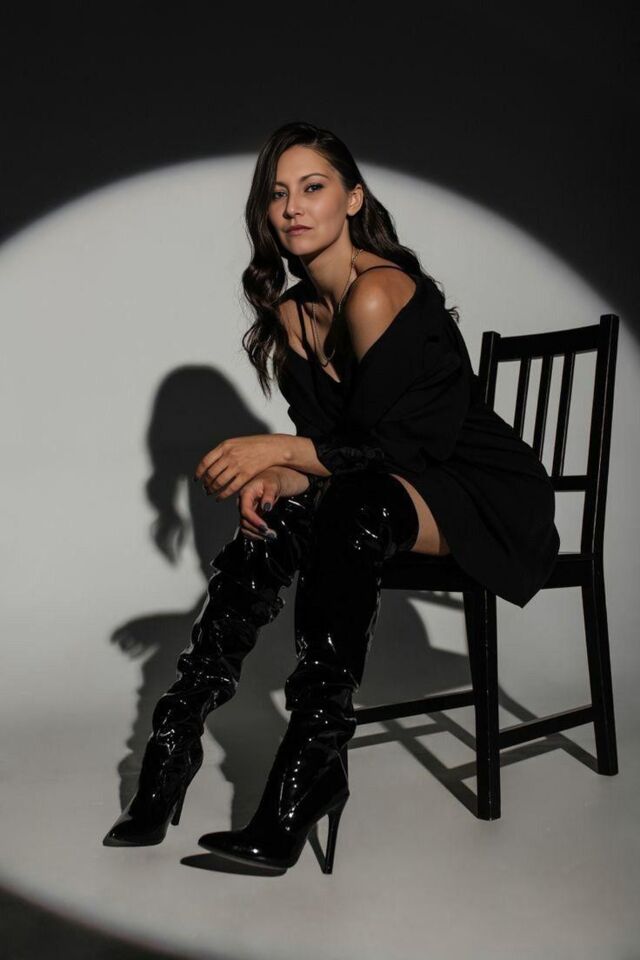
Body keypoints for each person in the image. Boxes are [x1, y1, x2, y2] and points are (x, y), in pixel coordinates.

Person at [103, 121, 560, 873]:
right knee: (279, 514)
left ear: (353, 199)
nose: (292, 207)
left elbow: (396, 449)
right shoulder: (290, 317)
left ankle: (308, 763)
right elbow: (334, 449)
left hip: (483, 493)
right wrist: (277, 477)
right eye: (278, 193)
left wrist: (279, 451)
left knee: (354, 505)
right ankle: (172, 745)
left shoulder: (378, 293)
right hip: (387, 485)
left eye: (312, 188)